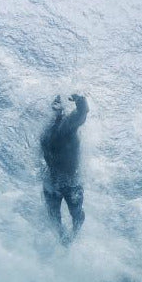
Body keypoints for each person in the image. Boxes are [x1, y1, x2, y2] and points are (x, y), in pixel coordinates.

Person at [41, 93, 88, 244]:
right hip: (62, 181)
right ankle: (67, 239)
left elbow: (82, 114)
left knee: (65, 216)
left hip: (59, 181)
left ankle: (68, 238)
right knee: (63, 216)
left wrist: (81, 101)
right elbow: (81, 114)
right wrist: (81, 101)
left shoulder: (58, 128)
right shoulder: (55, 129)